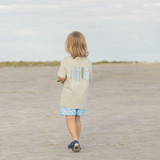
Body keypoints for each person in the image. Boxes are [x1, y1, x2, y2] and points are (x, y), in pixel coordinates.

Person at [57, 31, 92, 152]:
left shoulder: (66, 61)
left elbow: (61, 77)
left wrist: (62, 80)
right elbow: (89, 77)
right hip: (82, 96)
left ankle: (75, 140)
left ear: (69, 45)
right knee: (77, 118)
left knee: (69, 117)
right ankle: (75, 140)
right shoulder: (88, 62)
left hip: (69, 95)